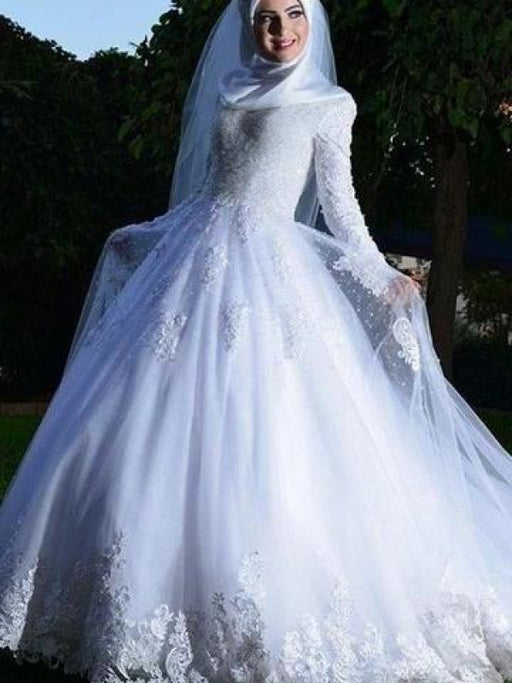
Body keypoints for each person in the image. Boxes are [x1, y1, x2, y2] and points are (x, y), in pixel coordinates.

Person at [1, 0, 512, 681]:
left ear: (311, 19)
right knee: (139, 422)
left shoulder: (328, 104)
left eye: (294, 15)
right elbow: (209, 190)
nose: (283, 31)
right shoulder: (227, 91)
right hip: (195, 258)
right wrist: (148, 232)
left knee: (277, 427)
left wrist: (378, 272)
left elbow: (341, 205)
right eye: (267, 19)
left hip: (274, 274)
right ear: (248, 25)